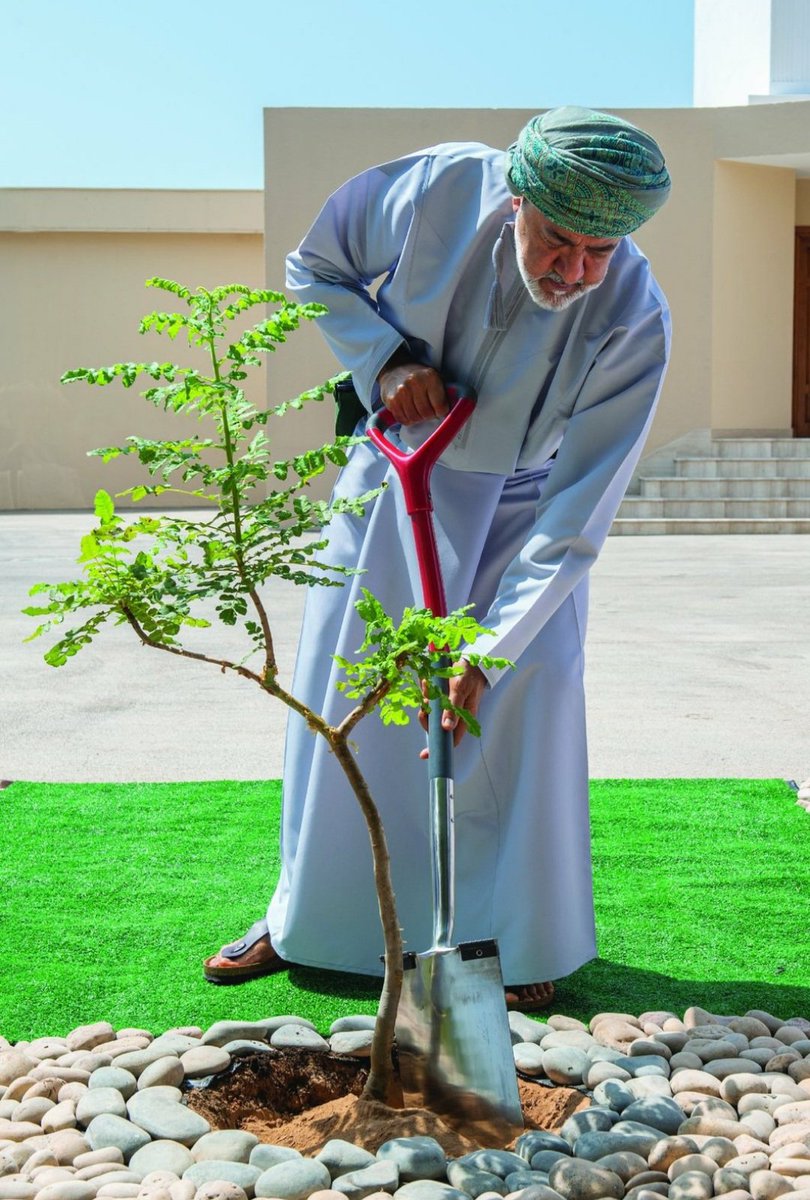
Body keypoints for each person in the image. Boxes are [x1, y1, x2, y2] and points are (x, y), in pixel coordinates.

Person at [203, 106, 672, 1011]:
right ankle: (307, 918)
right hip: (395, 476)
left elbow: (580, 511)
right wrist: (382, 362)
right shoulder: (443, 184)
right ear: (517, 196)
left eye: (598, 251)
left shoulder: (635, 314)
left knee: (522, 712)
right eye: (557, 241)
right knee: (350, 697)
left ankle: (516, 936)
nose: (573, 271)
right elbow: (318, 267)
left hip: (528, 510)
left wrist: (489, 649)